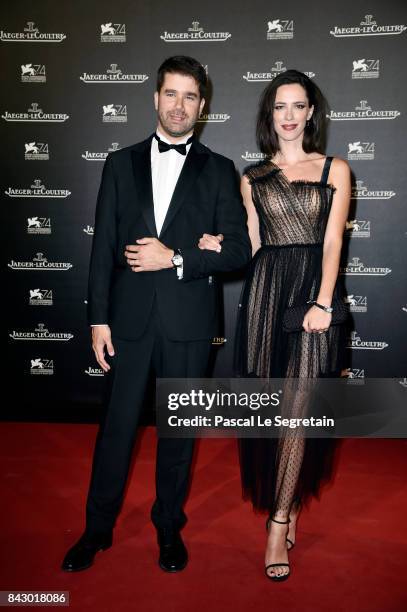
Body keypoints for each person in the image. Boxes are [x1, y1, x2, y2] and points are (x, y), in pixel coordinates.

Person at [61, 55, 251, 573]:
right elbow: (103, 248)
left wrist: (180, 257)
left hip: (189, 324)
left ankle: (169, 527)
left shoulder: (219, 170)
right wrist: (97, 319)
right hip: (128, 321)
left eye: (190, 96)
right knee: (116, 430)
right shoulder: (119, 164)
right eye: (171, 94)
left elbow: (238, 250)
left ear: (202, 106)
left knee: (178, 434)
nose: (179, 106)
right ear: (155, 98)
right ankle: (96, 531)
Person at [199, 69, 350, 581]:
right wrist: (220, 249)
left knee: (299, 413)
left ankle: (278, 520)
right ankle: (284, 504)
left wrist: (324, 303)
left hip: (313, 296)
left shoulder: (335, 169)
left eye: (298, 105)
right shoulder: (252, 178)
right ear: (270, 115)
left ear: (311, 112)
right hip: (266, 295)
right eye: (279, 106)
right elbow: (254, 245)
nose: (288, 115)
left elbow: (333, 243)